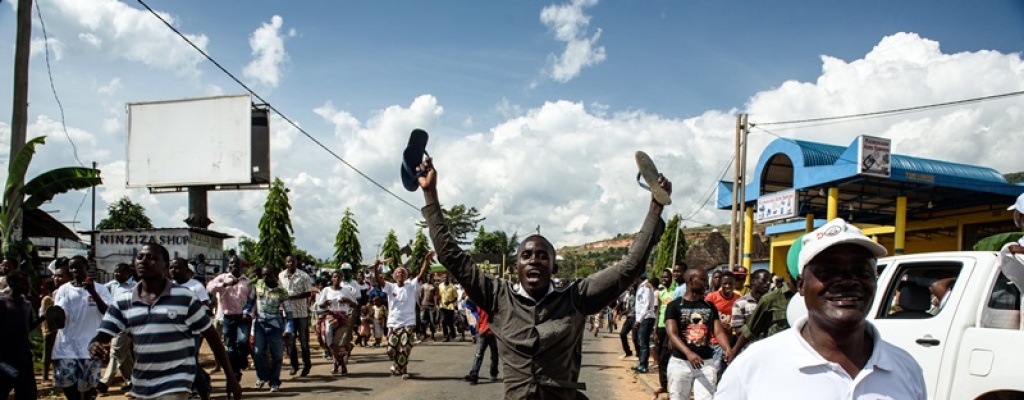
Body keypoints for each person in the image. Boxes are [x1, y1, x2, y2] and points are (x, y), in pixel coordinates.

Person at [416, 156, 669, 399]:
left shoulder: (576, 298)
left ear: (553, 268)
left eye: (542, 255)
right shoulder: (497, 297)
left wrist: (655, 209)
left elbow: (629, 267)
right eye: (526, 255)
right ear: (516, 266)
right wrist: (430, 194)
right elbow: (451, 257)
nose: (534, 260)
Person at [717, 219, 926, 399]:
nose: (847, 281)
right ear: (800, 285)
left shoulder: (906, 369)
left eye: (860, 271)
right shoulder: (753, 367)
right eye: (828, 271)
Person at [89, 243, 242, 400]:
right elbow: (103, 335)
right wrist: (95, 345)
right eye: (140, 257)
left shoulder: (185, 298)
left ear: (165, 265)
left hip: (176, 383)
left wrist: (230, 377)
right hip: (142, 385)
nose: (144, 261)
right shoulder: (123, 302)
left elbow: (211, 336)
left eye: (152, 258)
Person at [663, 269, 731, 400]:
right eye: (703, 280)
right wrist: (689, 353)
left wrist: (727, 348)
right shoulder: (674, 306)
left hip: (706, 363)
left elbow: (718, 331)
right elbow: (672, 333)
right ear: (690, 280)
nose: (706, 284)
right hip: (680, 363)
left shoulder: (709, 306)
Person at [52, 256, 113, 400]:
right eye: (71, 268)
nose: (74, 270)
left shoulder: (100, 289)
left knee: (89, 390)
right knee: (68, 385)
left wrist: (93, 292)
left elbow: (109, 312)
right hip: (66, 347)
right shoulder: (63, 290)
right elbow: (58, 316)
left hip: (90, 348)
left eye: (78, 267)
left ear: (86, 267)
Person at [373, 252, 434, 379]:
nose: (400, 274)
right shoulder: (390, 287)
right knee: (391, 350)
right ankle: (396, 364)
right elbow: (379, 280)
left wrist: (426, 260)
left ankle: (404, 369)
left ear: (406, 276)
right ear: (394, 276)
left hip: (408, 322)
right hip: (393, 322)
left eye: (403, 273)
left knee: (405, 347)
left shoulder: (411, 285)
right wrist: (375, 268)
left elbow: (421, 273)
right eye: (398, 273)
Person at [169, 258, 214, 399]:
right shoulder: (168, 286)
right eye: (170, 267)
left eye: (176, 268)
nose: (172, 271)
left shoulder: (195, 286)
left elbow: (206, 307)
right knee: (186, 361)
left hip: (192, 332)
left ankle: (202, 389)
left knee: (190, 360)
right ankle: (202, 381)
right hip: (175, 332)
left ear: (187, 271)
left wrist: (200, 327)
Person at [206, 256, 253, 383]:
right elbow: (210, 288)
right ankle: (236, 372)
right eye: (232, 263)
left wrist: (248, 314)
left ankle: (243, 359)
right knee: (231, 347)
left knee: (242, 342)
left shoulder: (247, 281)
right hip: (228, 318)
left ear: (241, 266)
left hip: (242, 318)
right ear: (229, 265)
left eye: (237, 263)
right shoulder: (222, 277)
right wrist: (225, 284)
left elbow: (252, 300)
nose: (235, 265)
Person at [244, 266, 290, 392]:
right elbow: (250, 301)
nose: (265, 278)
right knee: (258, 352)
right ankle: (262, 376)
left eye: (268, 275)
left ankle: (274, 382)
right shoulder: (258, 285)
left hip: (275, 325)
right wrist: (247, 312)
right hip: (260, 323)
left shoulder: (281, 291)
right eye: (263, 275)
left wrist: (289, 328)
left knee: (277, 355)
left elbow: (288, 311)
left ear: (275, 275)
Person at [0, 271, 38, 400]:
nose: (28, 286)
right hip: (5, 359)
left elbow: (27, 328)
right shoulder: (3, 303)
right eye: (24, 283)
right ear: (11, 283)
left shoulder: (27, 304)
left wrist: (44, 318)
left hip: (24, 358)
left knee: (27, 394)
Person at [99, 263, 136, 393]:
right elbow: (100, 293)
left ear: (128, 274)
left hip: (127, 324)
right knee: (124, 355)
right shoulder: (111, 285)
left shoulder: (135, 287)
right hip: (112, 322)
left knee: (115, 351)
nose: (116, 274)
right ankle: (133, 381)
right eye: (115, 271)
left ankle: (104, 382)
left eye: (120, 272)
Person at [279, 255, 314, 377]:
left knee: (304, 341)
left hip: (301, 313)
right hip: (287, 314)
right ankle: (294, 365)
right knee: (290, 341)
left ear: (296, 262)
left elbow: (309, 292)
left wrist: (293, 297)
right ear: (285, 263)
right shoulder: (281, 276)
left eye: (293, 261)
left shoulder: (303, 276)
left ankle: (307, 365)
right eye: (288, 262)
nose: (290, 264)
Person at [463, 304, 499, 385]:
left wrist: (483, 331)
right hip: (482, 333)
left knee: (494, 355)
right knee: (478, 354)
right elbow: (479, 318)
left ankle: (494, 372)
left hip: (492, 333)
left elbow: (494, 321)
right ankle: (474, 374)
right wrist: (478, 329)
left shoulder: (493, 306)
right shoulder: (480, 305)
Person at [731, 269, 771, 336]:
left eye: (770, 281)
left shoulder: (771, 301)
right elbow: (738, 331)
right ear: (753, 281)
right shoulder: (740, 303)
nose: (768, 283)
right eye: (764, 280)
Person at [653, 269, 674, 397]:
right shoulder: (661, 293)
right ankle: (663, 384)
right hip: (660, 327)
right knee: (660, 357)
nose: (664, 279)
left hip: (669, 328)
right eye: (663, 277)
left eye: (667, 277)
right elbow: (659, 311)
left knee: (665, 357)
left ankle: (668, 385)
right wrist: (655, 330)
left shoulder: (675, 293)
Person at [634, 275, 658, 373]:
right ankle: (641, 363)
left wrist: (639, 320)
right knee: (641, 341)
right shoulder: (641, 286)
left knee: (643, 342)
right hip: (643, 318)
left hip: (646, 317)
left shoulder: (647, 287)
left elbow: (646, 304)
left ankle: (643, 366)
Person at [618, 283, 638, 360]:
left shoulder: (639, 294)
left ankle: (638, 354)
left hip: (636, 318)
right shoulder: (629, 296)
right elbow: (628, 309)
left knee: (635, 338)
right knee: (622, 334)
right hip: (629, 318)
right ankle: (628, 352)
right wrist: (622, 314)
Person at [418, 274, 439, 341]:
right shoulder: (423, 286)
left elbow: (435, 297)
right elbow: (420, 296)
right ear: (426, 278)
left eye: (431, 277)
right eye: (428, 277)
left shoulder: (434, 287)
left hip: (431, 306)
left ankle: (432, 335)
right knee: (423, 321)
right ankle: (424, 334)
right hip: (424, 305)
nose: (429, 278)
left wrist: (435, 306)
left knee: (432, 321)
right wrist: (420, 305)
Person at [439, 273, 459, 341]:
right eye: (443, 278)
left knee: (450, 322)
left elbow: (456, 298)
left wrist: (450, 302)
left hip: (450, 307)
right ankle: (446, 336)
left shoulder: (452, 287)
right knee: (443, 321)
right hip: (442, 306)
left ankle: (453, 334)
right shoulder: (440, 286)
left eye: (446, 278)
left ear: (448, 279)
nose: (445, 279)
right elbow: (439, 295)